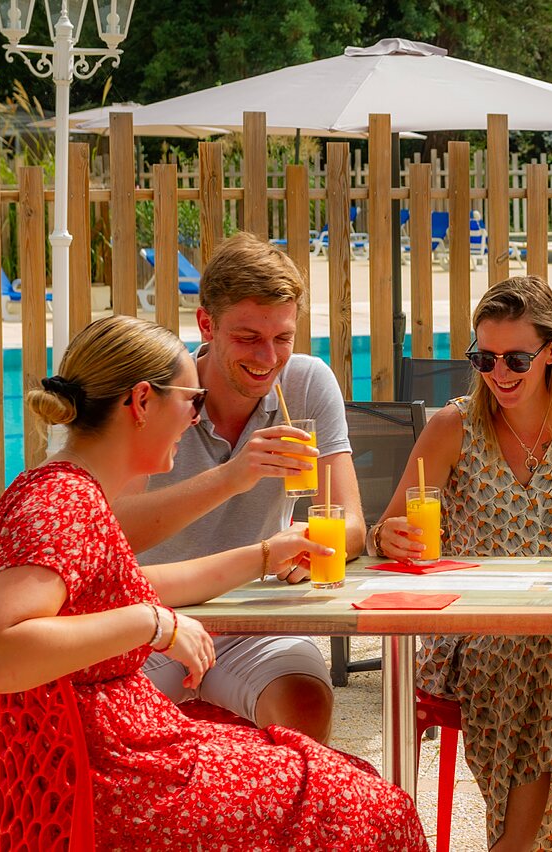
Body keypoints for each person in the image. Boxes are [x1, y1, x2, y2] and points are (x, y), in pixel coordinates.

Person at [0, 315, 427, 849]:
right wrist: (153, 625)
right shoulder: (60, 504)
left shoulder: (71, 493)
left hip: (95, 766)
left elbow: (136, 584)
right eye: (192, 402)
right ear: (141, 403)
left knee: (338, 778)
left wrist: (262, 555)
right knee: (369, 807)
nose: (195, 419)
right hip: (112, 784)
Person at [374, 275, 552, 852]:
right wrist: (391, 538)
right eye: (484, 357)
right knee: (538, 645)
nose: (498, 373)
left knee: (546, 643)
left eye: (516, 358)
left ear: (551, 351)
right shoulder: (452, 428)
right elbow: (387, 529)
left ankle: (514, 843)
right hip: (474, 632)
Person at [113, 233, 363, 743]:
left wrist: (310, 552)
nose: (269, 357)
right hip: (154, 617)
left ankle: (281, 821)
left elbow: (350, 523)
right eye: (248, 337)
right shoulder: (160, 394)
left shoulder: (307, 383)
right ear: (206, 323)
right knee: (119, 734)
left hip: (256, 620)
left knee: (306, 706)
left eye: (283, 338)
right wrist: (232, 477)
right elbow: (117, 537)